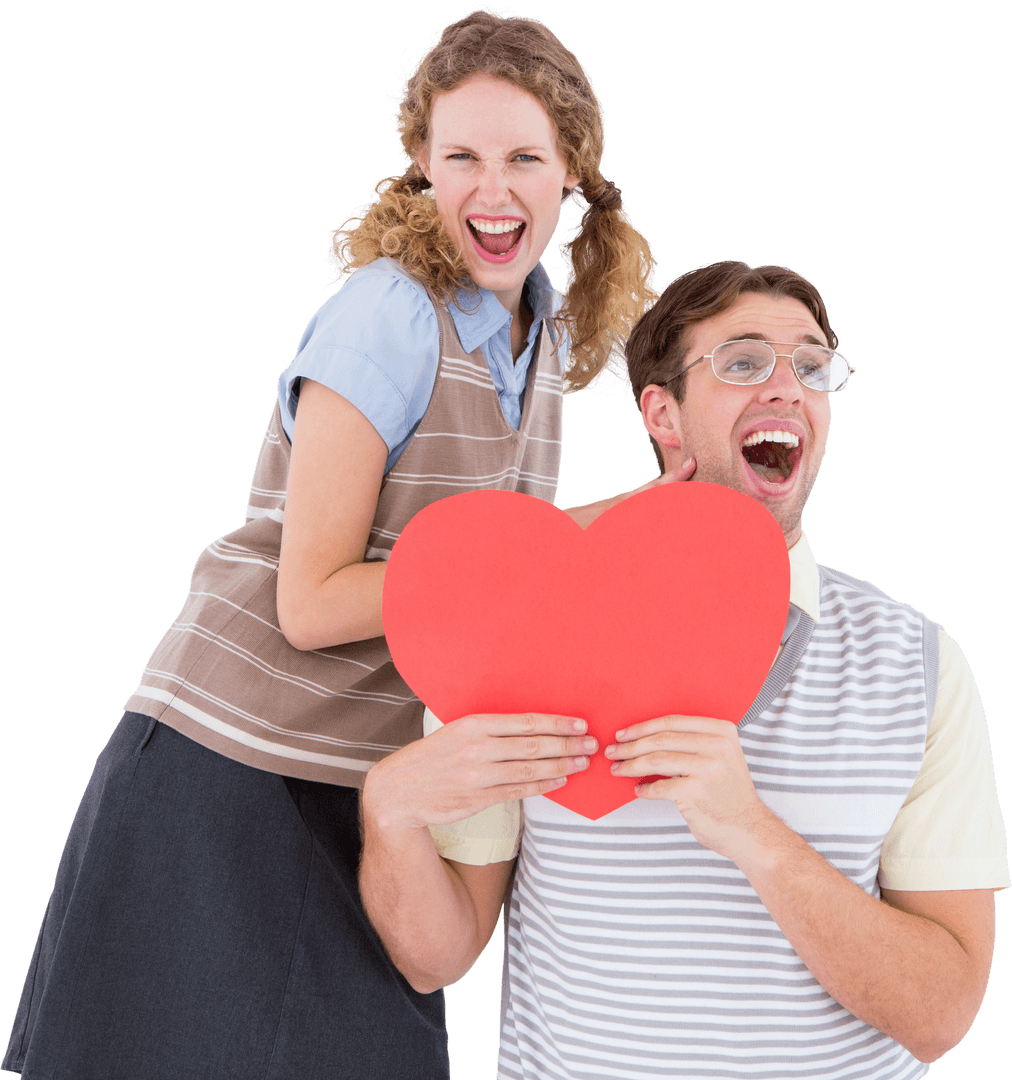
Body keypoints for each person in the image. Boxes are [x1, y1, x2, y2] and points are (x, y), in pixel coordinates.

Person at [2, 10, 667, 1079]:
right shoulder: (388, 314)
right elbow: (310, 601)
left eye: (522, 159)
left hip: (369, 789)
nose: (490, 194)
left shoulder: (542, 332)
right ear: (419, 168)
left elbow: (478, 603)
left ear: (573, 177)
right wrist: (575, 537)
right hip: (226, 780)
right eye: (460, 158)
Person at [360, 261, 1008, 1079]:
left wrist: (752, 833)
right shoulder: (519, 637)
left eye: (811, 367)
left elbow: (943, 1015)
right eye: (741, 363)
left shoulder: (921, 665)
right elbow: (436, 959)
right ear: (662, 413)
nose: (786, 387)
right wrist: (391, 813)